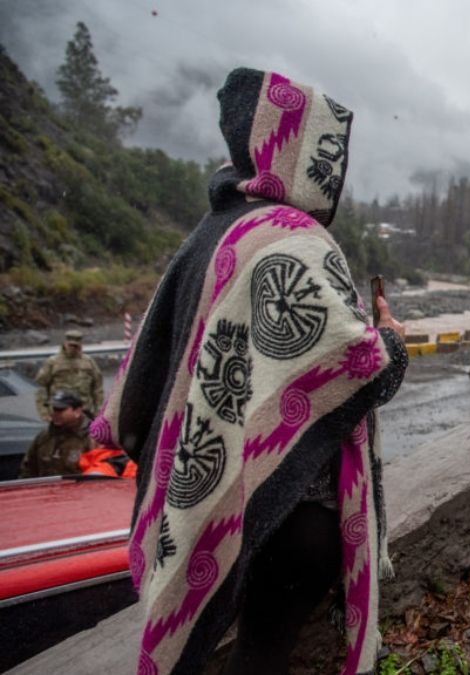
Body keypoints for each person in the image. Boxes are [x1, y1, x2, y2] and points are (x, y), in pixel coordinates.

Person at [90, 68, 408, 675]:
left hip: (220, 485)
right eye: (327, 153)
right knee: (262, 653)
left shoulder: (211, 232)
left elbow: (159, 361)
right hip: (289, 505)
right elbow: (359, 366)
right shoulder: (294, 237)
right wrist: (392, 340)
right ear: (303, 149)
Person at [19, 389, 91, 478]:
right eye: (54, 409)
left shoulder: (91, 438)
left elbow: (100, 476)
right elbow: (28, 468)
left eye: (60, 410)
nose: (55, 413)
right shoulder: (44, 436)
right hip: (45, 489)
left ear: (77, 412)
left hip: (77, 490)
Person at [34, 329, 104, 419]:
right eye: (70, 345)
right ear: (65, 343)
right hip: (59, 413)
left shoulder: (89, 362)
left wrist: (98, 410)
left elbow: (97, 388)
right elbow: (41, 386)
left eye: (75, 346)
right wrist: (44, 412)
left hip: (84, 412)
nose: (73, 348)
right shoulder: (53, 362)